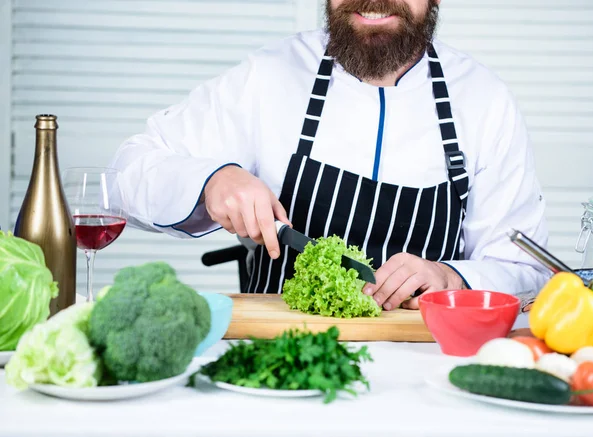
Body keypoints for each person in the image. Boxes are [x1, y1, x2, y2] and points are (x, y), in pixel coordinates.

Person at [109, 0, 550, 310]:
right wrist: (211, 181)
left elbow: (527, 271)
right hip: (282, 364)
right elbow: (129, 171)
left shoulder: (485, 100)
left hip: (428, 369)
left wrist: (453, 278)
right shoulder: (268, 76)